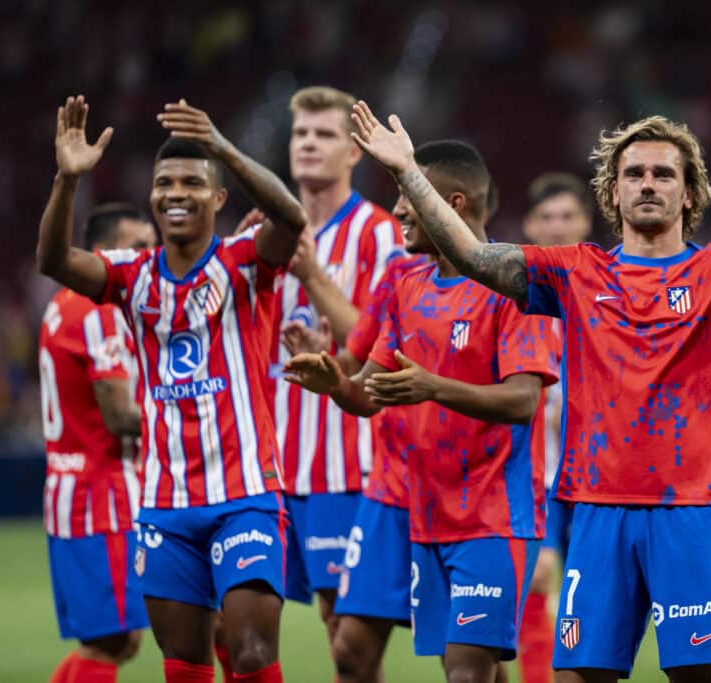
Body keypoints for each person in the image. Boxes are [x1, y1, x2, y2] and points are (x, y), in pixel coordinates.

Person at [346, 95, 711, 682]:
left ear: (690, 193)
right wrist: (407, 172)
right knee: (579, 677)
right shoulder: (575, 271)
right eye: (635, 174)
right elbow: (473, 255)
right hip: (597, 511)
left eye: (664, 174)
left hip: (689, 511)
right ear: (614, 191)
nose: (648, 184)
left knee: (697, 676)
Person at [36, 95, 307, 683]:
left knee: (254, 652)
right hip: (165, 506)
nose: (175, 192)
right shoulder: (129, 277)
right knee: (184, 667)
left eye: (191, 181)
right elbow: (54, 259)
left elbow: (291, 219)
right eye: (164, 182)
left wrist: (224, 149)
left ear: (218, 199)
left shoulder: (242, 263)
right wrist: (67, 178)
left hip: (245, 497)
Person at [283, 139, 558, 683]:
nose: (400, 211)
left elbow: (524, 401)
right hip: (416, 502)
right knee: (362, 652)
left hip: (490, 512)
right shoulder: (408, 285)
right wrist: (334, 384)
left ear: (451, 204)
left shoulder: (516, 285)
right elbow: (370, 394)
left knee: (464, 670)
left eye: (408, 195)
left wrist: (432, 387)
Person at [267, 85, 402, 669]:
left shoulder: (379, 232)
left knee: (348, 632)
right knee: (256, 620)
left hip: (350, 460)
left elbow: (380, 337)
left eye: (324, 135)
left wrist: (315, 277)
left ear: (353, 153)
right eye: (301, 134)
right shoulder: (264, 234)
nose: (309, 145)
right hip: (279, 460)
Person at [40, 203, 156, 683]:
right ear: (102, 253)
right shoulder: (98, 308)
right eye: (140, 246)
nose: (152, 255)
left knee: (111, 639)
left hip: (71, 490)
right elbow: (118, 415)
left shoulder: (60, 303)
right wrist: (187, 417)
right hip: (101, 495)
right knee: (114, 641)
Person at [517, 171, 593, 683]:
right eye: (547, 218)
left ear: (586, 223)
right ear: (529, 226)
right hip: (535, 469)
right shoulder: (516, 296)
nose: (557, 227)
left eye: (567, 217)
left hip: (594, 474)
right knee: (539, 578)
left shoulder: (607, 292)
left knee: (587, 595)